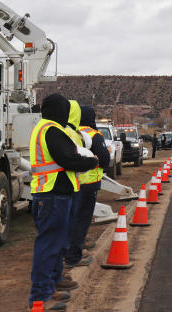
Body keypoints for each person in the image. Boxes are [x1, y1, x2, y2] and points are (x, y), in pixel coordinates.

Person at [28, 94, 99, 311]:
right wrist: (91, 161)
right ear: (60, 110)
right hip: (51, 197)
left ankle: (51, 287)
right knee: (48, 248)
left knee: (56, 246)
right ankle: (40, 298)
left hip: (54, 196)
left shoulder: (45, 128)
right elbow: (68, 159)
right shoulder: (51, 130)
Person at [65, 105, 110, 269]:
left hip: (72, 183)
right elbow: (105, 160)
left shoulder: (70, 133)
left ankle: (71, 249)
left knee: (71, 219)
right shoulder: (94, 135)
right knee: (81, 221)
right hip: (89, 184)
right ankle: (74, 255)